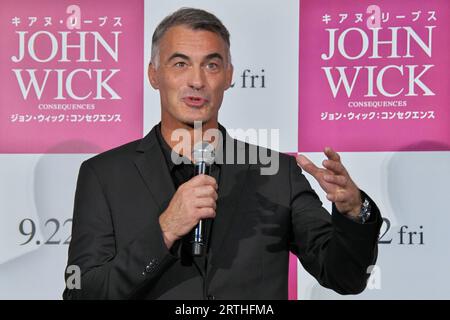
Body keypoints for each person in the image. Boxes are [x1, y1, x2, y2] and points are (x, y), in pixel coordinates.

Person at [63, 7, 382, 300]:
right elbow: (82, 293)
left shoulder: (275, 172)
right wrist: (164, 231)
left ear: (229, 76)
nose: (197, 81)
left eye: (211, 65)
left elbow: (347, 278)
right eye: (180, 63)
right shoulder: (104, 175)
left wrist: (355, 212)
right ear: (154, 74)